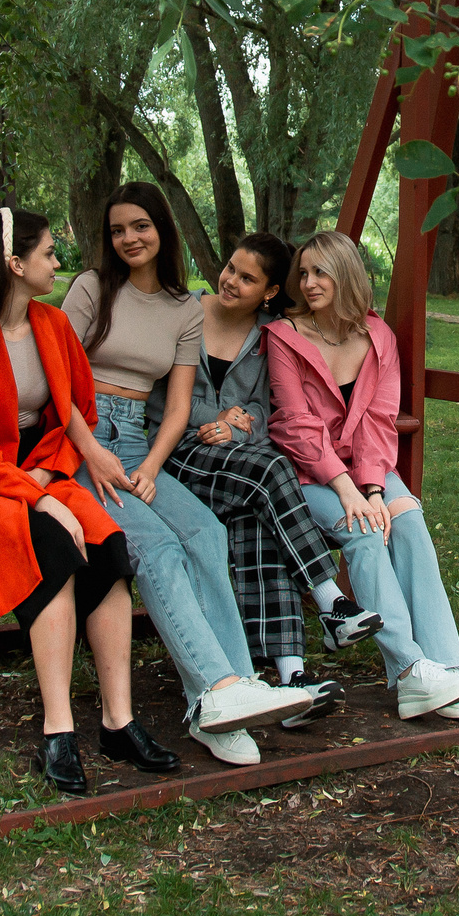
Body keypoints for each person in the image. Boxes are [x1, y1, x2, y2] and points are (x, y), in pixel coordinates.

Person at [62, 182, 316, 764]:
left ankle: (232, 692)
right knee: (155, 548)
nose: (128, 238)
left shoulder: (183, 308)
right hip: (78, 440)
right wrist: (91, 453)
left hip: (136, 444)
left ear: (163, 230)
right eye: (118, 229)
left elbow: (176, 408)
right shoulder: (90, 289)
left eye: (140, 226)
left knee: (207, 532)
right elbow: (55, 381)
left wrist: (149, 465)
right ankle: (216, 692)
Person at [0, 208, 178, 796]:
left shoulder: (53, 326)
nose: (56, 262)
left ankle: (118, 721)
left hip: (45, 472)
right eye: (47, 253)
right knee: (52, 546)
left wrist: (48, 475)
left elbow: (80, 415)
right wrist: (38, 498)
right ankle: (58, 729)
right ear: (15, 264)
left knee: (110, 546)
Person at [165, 230, 383, 716]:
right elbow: (164, 398)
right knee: (271, 471)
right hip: (179, 453)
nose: (230, 281)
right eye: (229, 269)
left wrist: (242, 426)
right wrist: (215, 420)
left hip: (236, 462)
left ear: (267, 291)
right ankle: (329, 598)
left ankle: (291, 676)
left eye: (247, 278)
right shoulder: (185, 314)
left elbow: (269, 411)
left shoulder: (268, 336)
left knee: (257, 525)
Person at [265, 229, 459, 722]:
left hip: (369, 469)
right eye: (304, 272)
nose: (310, 282)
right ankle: (408, 670)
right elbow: (297, 426)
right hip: (307, 473)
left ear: (347, 275)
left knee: (407, 520)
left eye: (322, 272)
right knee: (363, 527)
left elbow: (380, 419)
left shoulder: (378, 337)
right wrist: (350, 492)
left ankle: (445, 666)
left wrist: (376, 489)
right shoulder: (285, 337)